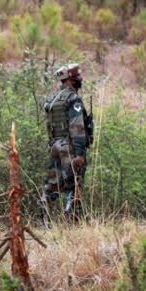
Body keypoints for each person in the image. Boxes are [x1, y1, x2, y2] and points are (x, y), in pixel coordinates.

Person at [40, 63, 91, 223]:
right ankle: (72, 221)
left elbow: (50, 126)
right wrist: (80, 154)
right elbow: (77, 128)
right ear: (69, 80)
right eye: (77, 76)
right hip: (68, 147)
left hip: (54, 145)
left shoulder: (52, 99)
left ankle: (44, 220)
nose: (80, 79)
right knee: (74, 183)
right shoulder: (73, 99)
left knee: (52, 184)